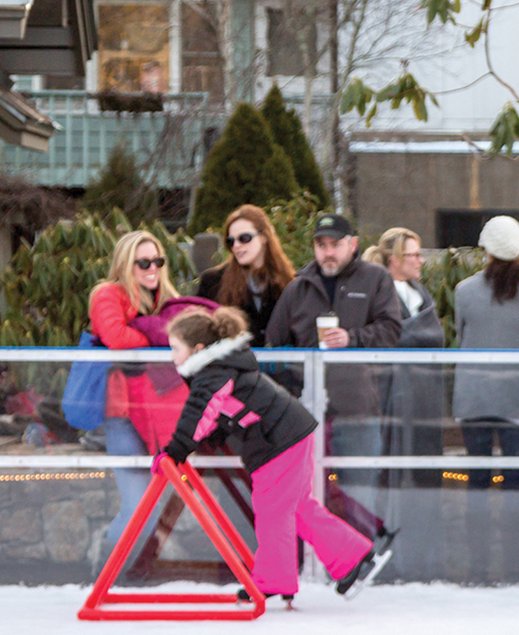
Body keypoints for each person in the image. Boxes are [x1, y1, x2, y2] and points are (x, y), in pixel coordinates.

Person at [155, 307, 393, 604]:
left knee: (273, 510)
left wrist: (175, 451)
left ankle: (274, 580)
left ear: (197, 349)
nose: (171, 356)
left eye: (175, 348)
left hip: (279, 441)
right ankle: (353, 557)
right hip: (288, 435)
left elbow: (199, 411)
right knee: (295, 507)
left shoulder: (214, 371)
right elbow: (218, 415)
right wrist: (203, 442)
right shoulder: (221, 367)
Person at [265, 212, 403, 533]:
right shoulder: (298, 288)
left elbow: (392, 330)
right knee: (311, 494)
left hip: (359, 410)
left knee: (360, 493)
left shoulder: (375, 279)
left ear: (353, 245)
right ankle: (316, 569)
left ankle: (362, 561)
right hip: (307, 415)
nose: (328, 252)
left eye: (335, 244)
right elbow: (274, 345)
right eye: (321, 245)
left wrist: (351, 338)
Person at [452, 216, 519, 581]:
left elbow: (461, 336)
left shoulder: (464, 292)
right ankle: (514, 568)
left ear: (486, 248)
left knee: (477, 483)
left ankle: (477, 568)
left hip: (474, 396)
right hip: (517, 399)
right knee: (514, 484)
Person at [89, 231, 189, 548]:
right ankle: (108, 568)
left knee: (150, 506)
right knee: (139, 508)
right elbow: (117, 338)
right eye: (142, 262)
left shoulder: (165, 298)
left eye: (157, 261)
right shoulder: (108, 294)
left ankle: (122, 567)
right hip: (121, 413)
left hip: (158, 412)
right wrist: (154, 336)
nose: (152, 268)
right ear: (125, 264)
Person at [365, 227, 446, 579]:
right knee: (390, 478)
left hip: (425, 398)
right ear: (395, 260)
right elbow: (388, 338)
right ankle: (385, 558)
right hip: (392, 397)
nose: (420, 261)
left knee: (425, 477)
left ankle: (422, 557)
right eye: (414, 255)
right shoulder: (381, 297)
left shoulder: (421, 295)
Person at [195, 205, 295, 341]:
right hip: (233, 361)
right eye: (231, 241)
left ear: (264, 237)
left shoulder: (288, 281)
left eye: (244, 238)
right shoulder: (213, 282)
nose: (236, 246)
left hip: (278, 360)